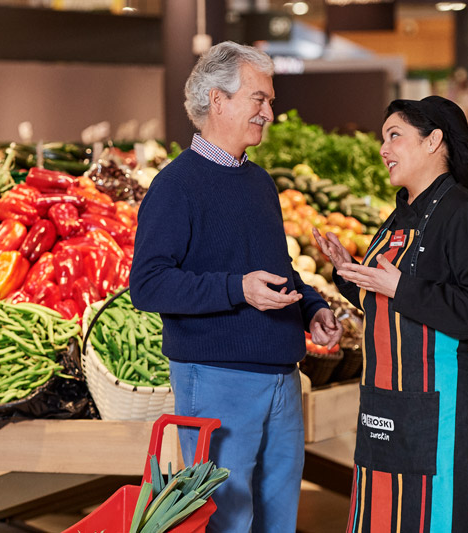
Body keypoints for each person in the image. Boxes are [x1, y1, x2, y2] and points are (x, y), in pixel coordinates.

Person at [129, 41, 343, 533]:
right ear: (217, 101)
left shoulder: (260, 182)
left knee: (279, 515)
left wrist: (310, 307)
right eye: (259, 99)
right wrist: (237, 289)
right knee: (225, 520)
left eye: (269, 100)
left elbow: (277, 270)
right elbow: (148, 285)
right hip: (216, 378)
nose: (269, 112)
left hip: (282, 379)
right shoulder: (175, 185)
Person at [313, 96, 468, 532]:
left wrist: (400, 286)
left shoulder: (466, 214)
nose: (383, 149)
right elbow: (388, 300)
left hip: (445, 411)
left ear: (433, 141)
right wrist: (348, 271)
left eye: (394, 136)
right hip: (388, 406)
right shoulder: (397, 218)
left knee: (440, 516)